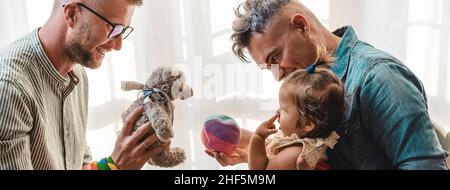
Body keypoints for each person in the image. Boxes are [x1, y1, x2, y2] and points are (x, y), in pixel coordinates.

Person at [206, 0, 448, 169]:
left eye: (275, 59)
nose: (277, 75)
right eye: (268, 67)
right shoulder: (314, 88)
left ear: (302, 26)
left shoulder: (379, 78)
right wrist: (255, 147)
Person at [0, 0, 169, 170]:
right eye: (113, 28)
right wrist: (115, 166)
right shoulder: (10, 88)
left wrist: (116, 163)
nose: (118, 46)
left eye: (123, 31)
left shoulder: (77, 73)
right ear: (72, 14)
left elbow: (80, 166)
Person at [249, 50, 345, 170]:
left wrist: (257, 138)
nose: (277, 112)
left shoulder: (294, 154)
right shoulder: (310, 145)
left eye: (284, 109)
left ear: (307, 123)